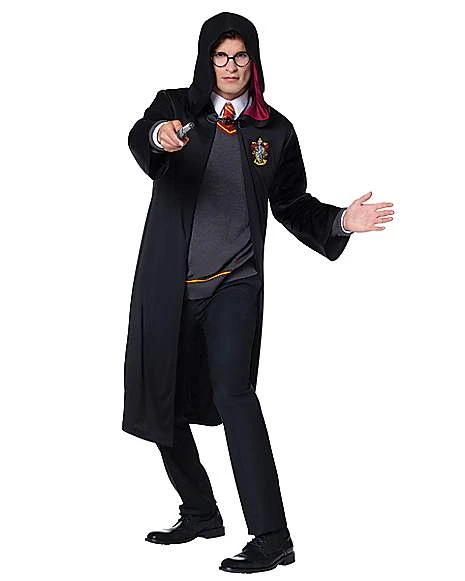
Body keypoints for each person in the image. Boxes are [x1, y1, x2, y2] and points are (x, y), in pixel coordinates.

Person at [123, 11, 395, 574]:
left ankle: (272, 537)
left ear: (254, 62)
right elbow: (142, 136)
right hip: (169, 283)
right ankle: (200, 511)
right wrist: (159, 136)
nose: (230, 67)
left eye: (240, 56)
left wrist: (341, 220)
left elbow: (291, 203)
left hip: (236, 284)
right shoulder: (175, 107)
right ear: (207, 61)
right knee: (157, 396)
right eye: (220, 57)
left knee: (236, 395)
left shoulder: (275, 130)